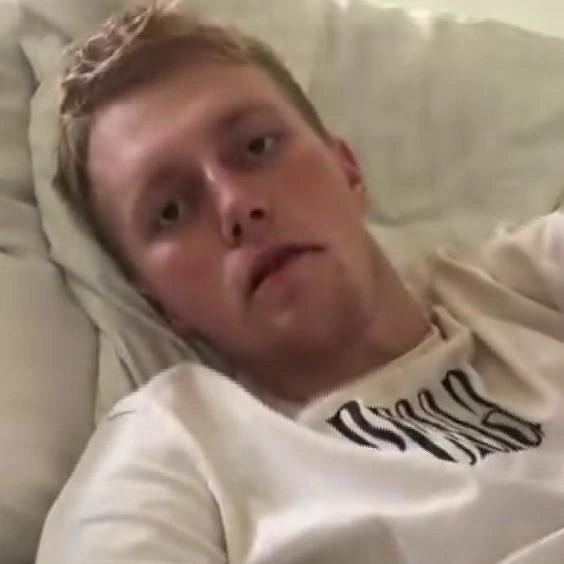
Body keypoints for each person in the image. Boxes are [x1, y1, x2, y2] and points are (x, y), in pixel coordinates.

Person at [37, 3, 564, 563]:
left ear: (348, 171)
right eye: (170, 210)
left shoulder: (518, 283)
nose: (236, 205)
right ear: (162, 305)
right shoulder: (173, 448)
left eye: (257, 147)